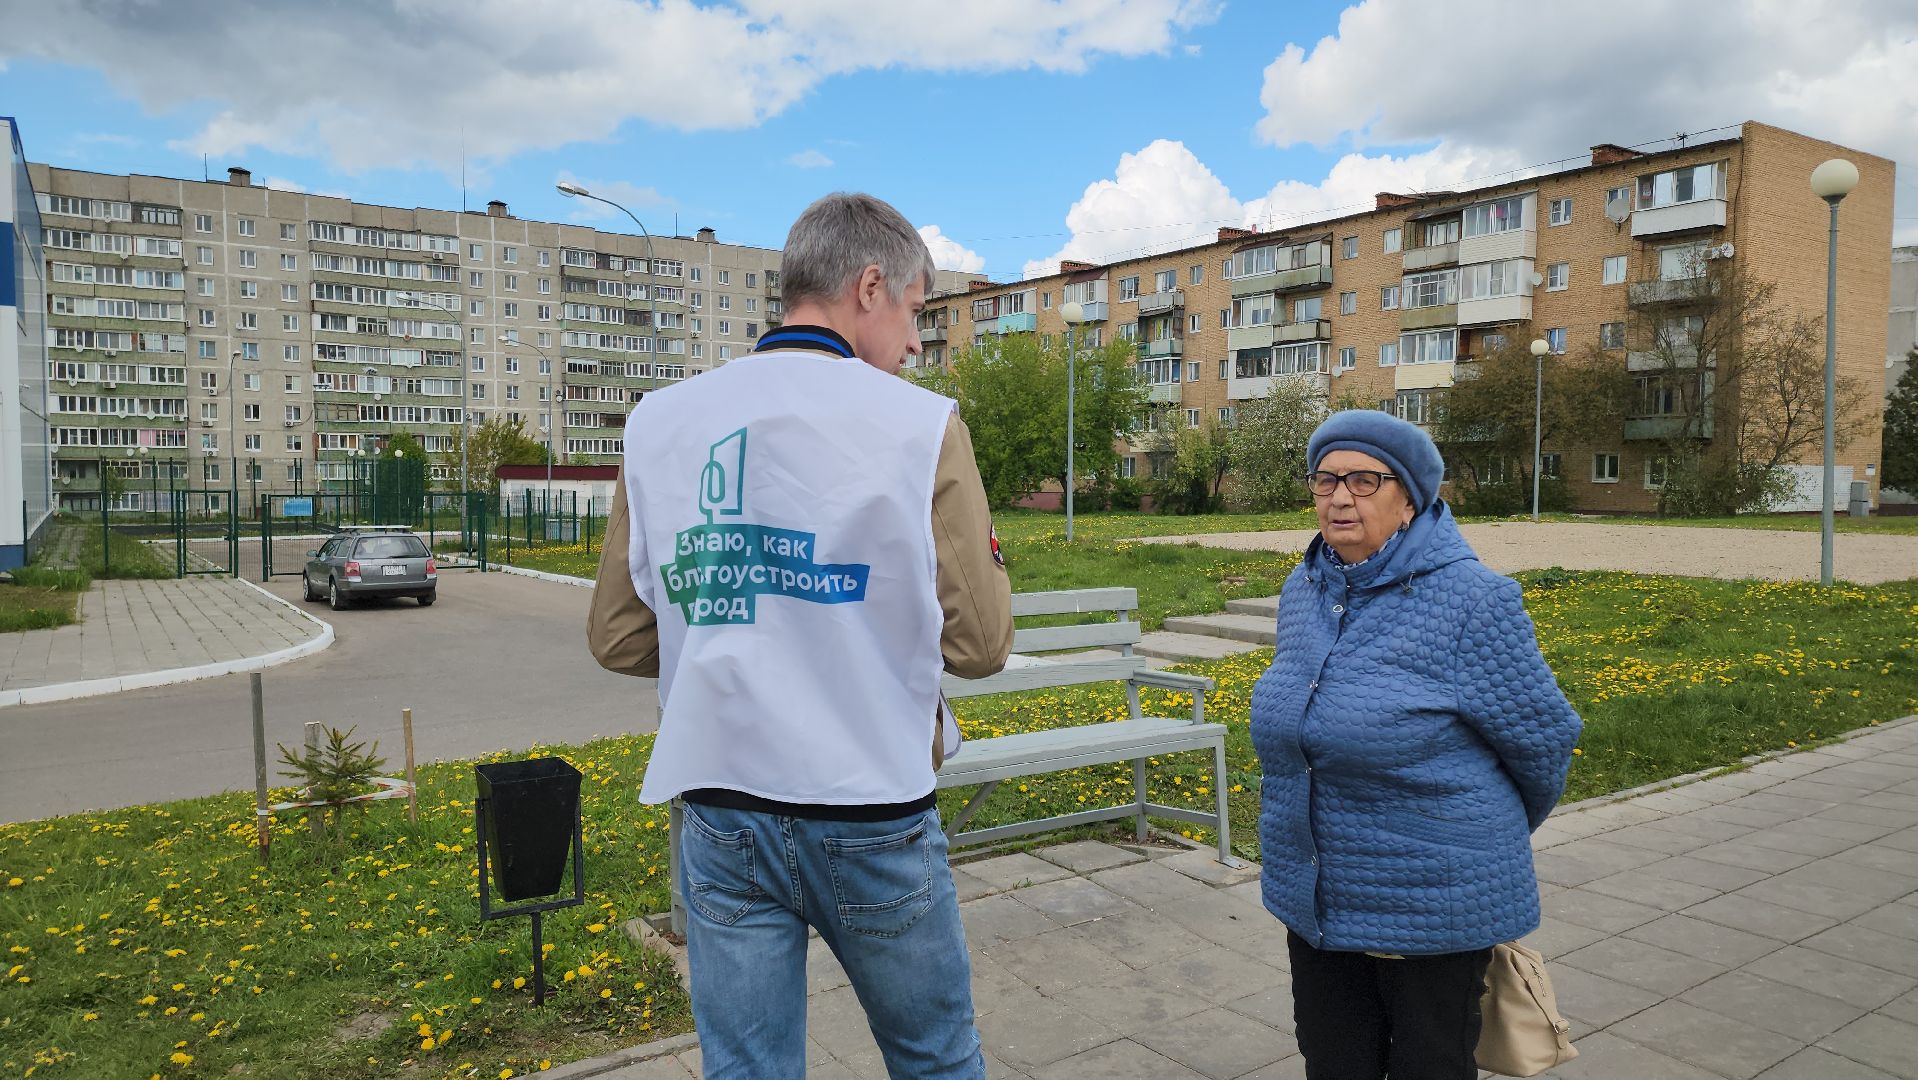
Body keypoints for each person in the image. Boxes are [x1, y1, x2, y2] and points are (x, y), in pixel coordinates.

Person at [586, 191, 1013, 1080]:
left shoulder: (660, 422)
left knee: (746, 1071)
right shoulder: (920, 427)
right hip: (871, 809)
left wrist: (743, 625)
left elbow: (621, 640)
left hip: (721, 807)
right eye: (916, 312)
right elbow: (980, 646)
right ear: (869, 287)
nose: (915, 344)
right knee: (936, 1060)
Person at [1249, 410, 1581, 1080]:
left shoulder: (1472, 601)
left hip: (1433, 902)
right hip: (1317, 897)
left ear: (1408, 498)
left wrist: (1472, 838)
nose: (1340, 498)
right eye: (1326, 480)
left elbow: (1544, 741)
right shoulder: (1304, 589)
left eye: (1365, 481)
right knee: (1334, 1062)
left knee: (1430, 1067)